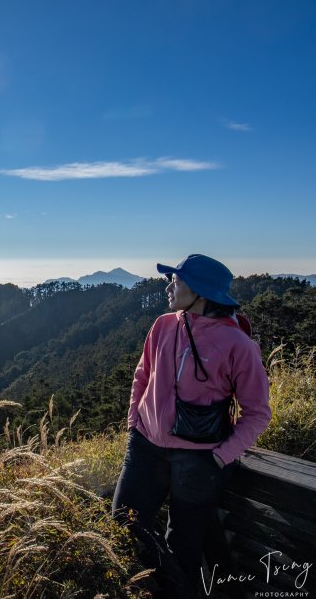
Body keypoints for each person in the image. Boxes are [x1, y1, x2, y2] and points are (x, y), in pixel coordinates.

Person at [112, 254, 272, 597]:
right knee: (124, 525)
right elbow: (142, 377)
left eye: (178, 281)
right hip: (145, 448)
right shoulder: (163, 325)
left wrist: (220, 456)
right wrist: (133, 426)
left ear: (200, 290)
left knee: (184, 545)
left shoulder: (239, 346)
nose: (170, 286)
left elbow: (257, 413)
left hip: (199, 459)